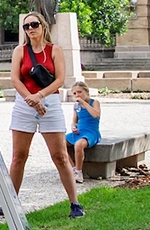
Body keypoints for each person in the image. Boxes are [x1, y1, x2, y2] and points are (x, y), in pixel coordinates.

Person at [8, 14, 83, 218]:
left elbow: (59, 80)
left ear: (43, 26)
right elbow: (15, 79)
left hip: (49, 101)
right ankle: (10, 202)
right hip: (25, 103)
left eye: (34, 25)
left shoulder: (54, 50)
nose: (30, 29)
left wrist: (40, 96)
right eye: (26, 26)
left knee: (59, 155)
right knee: (19, 156)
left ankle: (75, 203)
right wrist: (31, 99)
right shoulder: (20, 51)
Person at [65, 80, 102, 183]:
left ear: (86, 91)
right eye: (75, 93)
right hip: (80, 131)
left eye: (80, 92)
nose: (77, 95)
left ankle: (79, 171)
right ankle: (72, 170)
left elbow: (95, 115)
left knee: (78, 145)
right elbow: (74, 121)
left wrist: (84, 103)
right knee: (59, 144)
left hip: (91, 132)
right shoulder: (76, 106)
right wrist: (73, 127)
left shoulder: (94, 102)